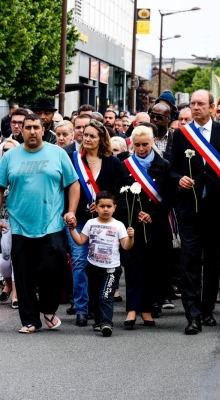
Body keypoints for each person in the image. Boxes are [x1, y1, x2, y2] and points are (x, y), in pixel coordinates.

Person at [168, 89, 220, 335]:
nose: (196, 107)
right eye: (193, 104)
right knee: (189, 260)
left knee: (213, 261)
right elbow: (171, 169)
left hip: (217, 208)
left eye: (201, 104)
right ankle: (193, 315)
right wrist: (179, 179)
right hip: (189, 209)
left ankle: (207, 308)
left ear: (212, 107)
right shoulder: (181, 134)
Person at [0, 113, 80, 333]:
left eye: (36, 127)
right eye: (28, 127)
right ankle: (29, 321)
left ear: (44, 129)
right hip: (19, 224)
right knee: (23, 275)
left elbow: (73, 184)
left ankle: (48, 309)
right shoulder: (9, 157)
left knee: (54, 270)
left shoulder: (58, 154)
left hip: (52, 223)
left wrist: (71, 211)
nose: (32, 131)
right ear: (21, 130)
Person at [65, 119, 121, 326]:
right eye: (85, 135)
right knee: (79, 263)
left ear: (101, 139)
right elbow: (66, 188)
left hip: (103, 225)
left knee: (101, 266)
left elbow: (118, 191)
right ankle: (81, 308)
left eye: (92, 136)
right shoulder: (72, 160)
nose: (87, 139)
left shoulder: (112, 162)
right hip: (79, 221)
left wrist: (103, 207)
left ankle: (98, 307)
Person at [117, 125, 172, 329]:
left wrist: (153, 215)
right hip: (132, 225)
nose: (141, 149)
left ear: (153, 143)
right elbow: (118, 196)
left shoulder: (163, 165)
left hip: (156, 225)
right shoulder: (124, 166)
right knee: (132, 266)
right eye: (137, 145)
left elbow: (168, 197)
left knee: (152, 267)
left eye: (145, 144)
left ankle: (147, 309)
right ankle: (132, 309)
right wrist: (134, 214)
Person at [69, 190, 134, 336]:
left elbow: (126, 246)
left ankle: (106, 323)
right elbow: (80, 241)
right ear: (95, 207)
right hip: (93, 267)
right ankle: (98, 321)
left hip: (111, 268)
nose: (105, 209)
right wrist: (72, 229)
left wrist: (131, 237)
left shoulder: (119, 225)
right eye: (102, 206)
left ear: (114, 207)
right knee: (95, 296)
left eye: (109, 206)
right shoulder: (90, 223)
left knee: (106, 296)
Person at [0, 139, 21, 309]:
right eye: (4, 149)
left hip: (16, 221)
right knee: (4, 261)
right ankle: (7, 285)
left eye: (10, 150)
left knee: (15, 258)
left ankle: (16, 293)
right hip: (1, 220)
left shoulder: (18, 170)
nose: (7, 153)